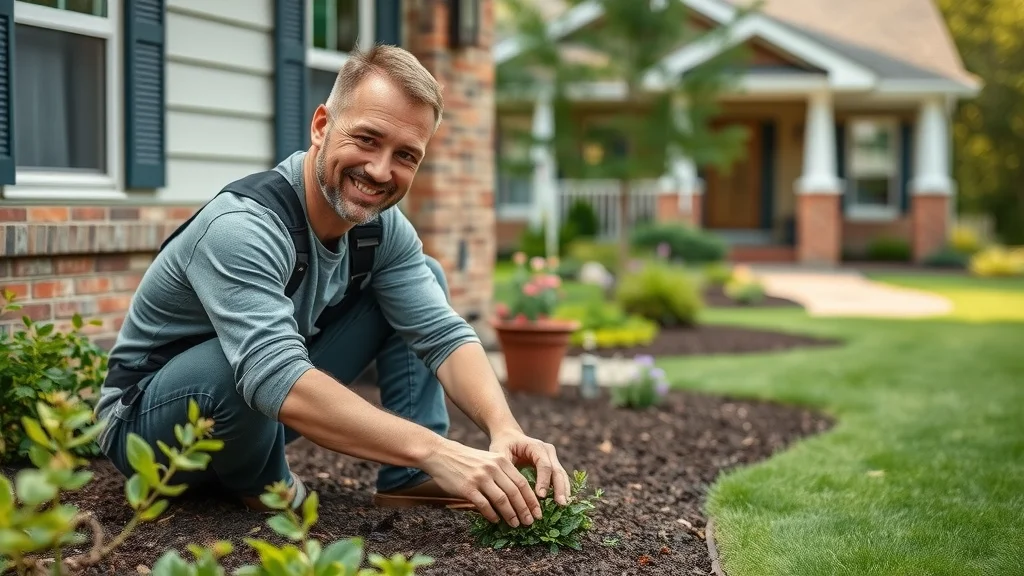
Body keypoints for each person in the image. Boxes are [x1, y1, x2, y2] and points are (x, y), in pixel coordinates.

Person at [93, 44, 569, 530]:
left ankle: (405, 478)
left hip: (255, 410)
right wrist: (439, 451)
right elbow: (273, 375)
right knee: (237, 364)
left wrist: (503, 428)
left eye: (405, 155)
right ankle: (263, 482)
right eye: (366, 139)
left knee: (428, 278)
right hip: (147, 428)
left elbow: (442, 334)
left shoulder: (383, 229)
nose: (381, 171)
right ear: (322, 126)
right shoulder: (243, 226)